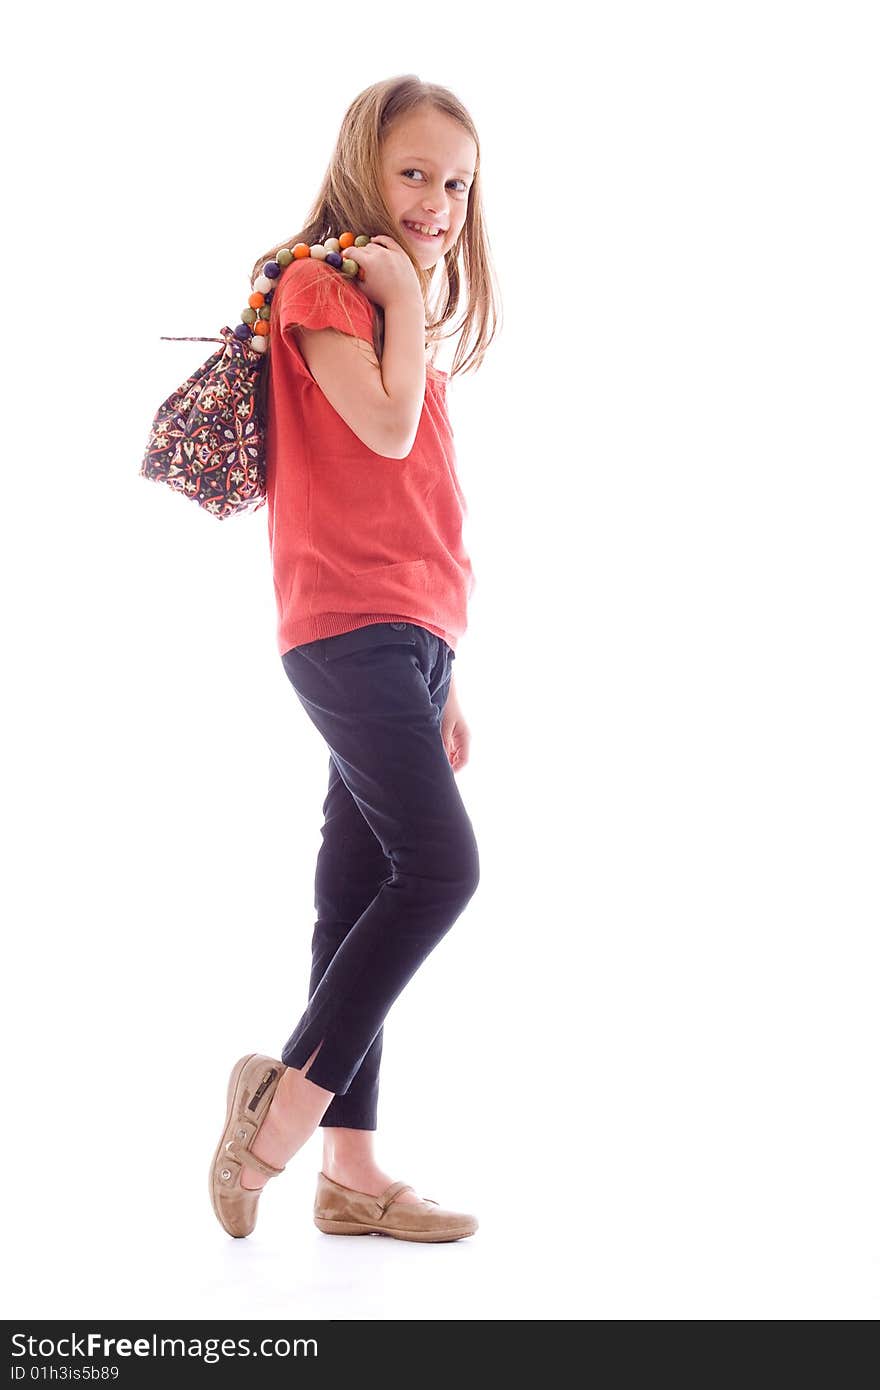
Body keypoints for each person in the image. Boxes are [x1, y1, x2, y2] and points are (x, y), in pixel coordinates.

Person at [209, 75, 500, 1244]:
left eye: (459, 182)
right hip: (344, 629)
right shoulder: (327, 283)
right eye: (415, 173)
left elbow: (408, 498)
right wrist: (402, 296)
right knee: (440, 870)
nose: (438, 201)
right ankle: (281, 1113)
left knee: (357, 890)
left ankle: (353, 1173)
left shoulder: (391, 298)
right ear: (362, 168)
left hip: (408, 636)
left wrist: (446, 670)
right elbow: (381, 428)